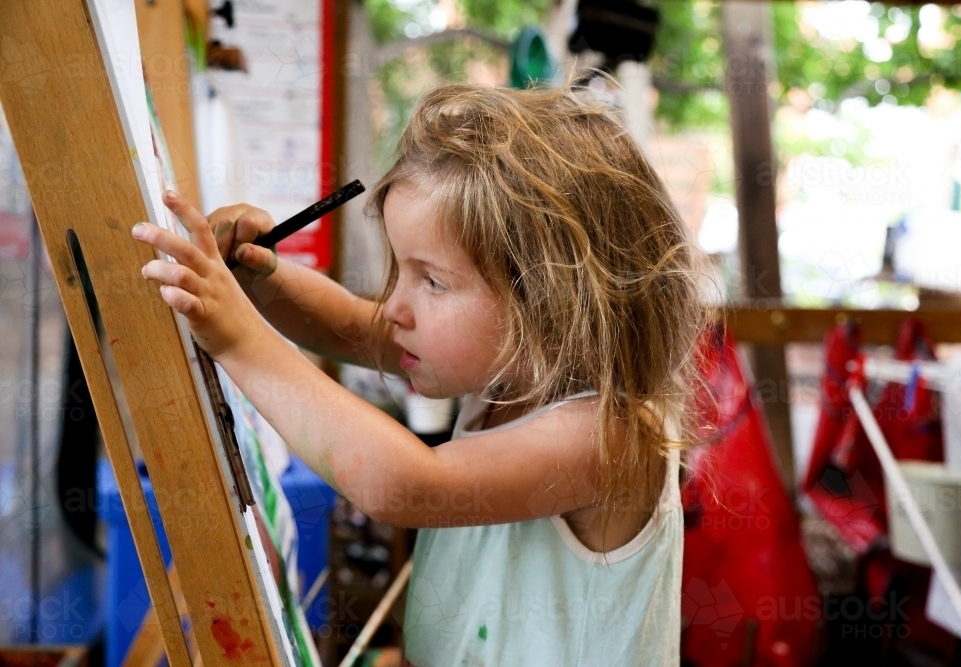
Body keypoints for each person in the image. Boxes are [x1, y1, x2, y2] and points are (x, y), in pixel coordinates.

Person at [132, 82, 708, 666]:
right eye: (400, 272)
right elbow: (353, 327)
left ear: (550, 301)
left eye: (431, 280)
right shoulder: (505, 375)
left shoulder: (608, 436)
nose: (396, 306)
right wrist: (260, 278)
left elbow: (403, 485)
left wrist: (237, 337)